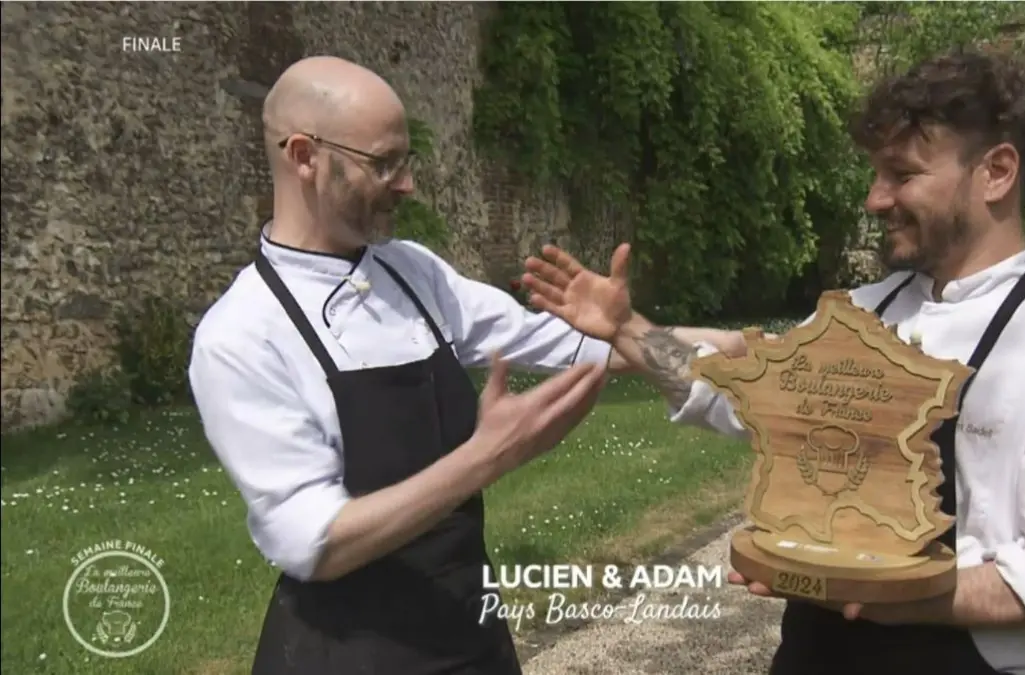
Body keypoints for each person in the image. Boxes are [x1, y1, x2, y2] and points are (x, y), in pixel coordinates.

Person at [521, 49, 1025, 675]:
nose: (874, 200)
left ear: (996, 171)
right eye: (876, 174)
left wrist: (887, 593)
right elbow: (731, 391)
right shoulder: (860, 312)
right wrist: (627, 329)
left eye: (902, 174)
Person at [188, 55, 746, 675]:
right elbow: (313, 542)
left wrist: (722, 344)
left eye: (407, 160)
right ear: (302, 156)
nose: (407, 185)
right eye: (384, 163)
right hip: (351, 654)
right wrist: (487, 458)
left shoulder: (412, 273)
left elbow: (570, 343)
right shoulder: (240, 336)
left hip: (468, 637)